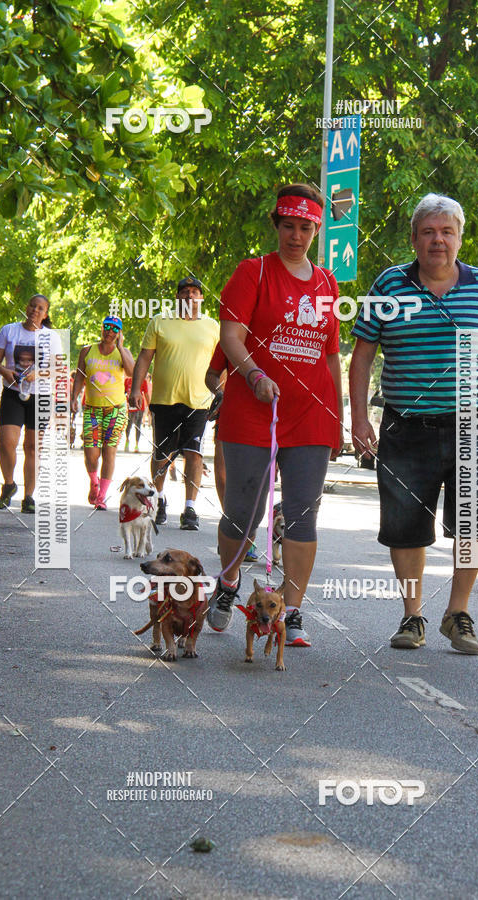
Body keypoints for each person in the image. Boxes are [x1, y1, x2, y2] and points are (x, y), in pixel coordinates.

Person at [349, 192, 478, 655]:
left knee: (473, 525)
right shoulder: (389, 286)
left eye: (447, 231)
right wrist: (358, 417)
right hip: (404, 426)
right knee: (405, 527)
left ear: (459, 238)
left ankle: (457, 613)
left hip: (469, 426)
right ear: (413, 239)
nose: (438, 240)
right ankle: (412, 616)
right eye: (428, 232)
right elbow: (362, 355)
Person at [207, 183, 343, 647]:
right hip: (254, 409)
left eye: (306, 227)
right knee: (243, 512)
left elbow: (330, 355)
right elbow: (231, 337)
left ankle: (293, 609)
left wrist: (339, 415)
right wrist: (253, 375)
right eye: (289, 226)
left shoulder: (327, 283)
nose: (296, 236)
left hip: (310, 415)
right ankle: (228, 582)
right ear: (277, 225)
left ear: (317, 230)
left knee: (303, 515)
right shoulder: (254, 272)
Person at [130, 277, 219, 531]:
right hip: (164, 399)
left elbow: (220, 364)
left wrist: (221, 393)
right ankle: (158, 499)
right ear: (177, 297)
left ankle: (190, 508)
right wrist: (136, 389)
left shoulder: (212, 326)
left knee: (194, 453)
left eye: (195, 291)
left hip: (199, 401)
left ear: (201, 297)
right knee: (161, 454)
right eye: (185, 292)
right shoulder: (160, 321)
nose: (190, 295)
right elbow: (144, 357)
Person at [0, 294, 54, 513]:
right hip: (13, 392)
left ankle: (28, 497)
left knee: (32, 447)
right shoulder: (9, 331)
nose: (35, 310)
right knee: (7, 441)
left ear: (45, 314)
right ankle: (9, 484)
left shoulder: (51, 337)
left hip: (40, 396)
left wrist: (39, 373)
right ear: (26, 308)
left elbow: (58, 368)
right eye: (32, 306)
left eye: (40, 308)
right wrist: (5, 372)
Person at [71, 315, 134, 510]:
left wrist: (120, 347)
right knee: (91, 453)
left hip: (116, 409)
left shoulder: (123, 352)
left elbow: (131, 372)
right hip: (92, 409)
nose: (110, 332)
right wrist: (73, 398)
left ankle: (102, 496)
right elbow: (79, 377)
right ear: (102, 328)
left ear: (119, 333)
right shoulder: (87, 350)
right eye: (107, 327)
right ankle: (94, 481)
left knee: (109, 451)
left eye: (115, 329)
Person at [205, 343, 259, 561]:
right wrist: (220, 393)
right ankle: (232, 528)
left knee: (255, 482)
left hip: (265, 417)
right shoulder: (230, 337)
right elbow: (211, 375)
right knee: (225, 478)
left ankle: (248, 535)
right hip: (231, 415)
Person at [124, 373, 151, 452]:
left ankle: (136, 445)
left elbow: (146, 394)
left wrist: (149, 406)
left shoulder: (143, 381)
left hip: (139, 407)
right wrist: (125, 403)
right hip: (129, 407)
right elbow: (123, 393)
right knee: (128, 425)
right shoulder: (127, 381)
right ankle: (127, 440)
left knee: (138, 426)